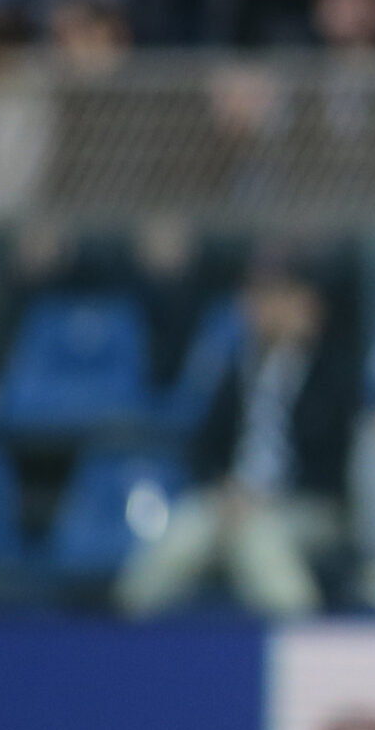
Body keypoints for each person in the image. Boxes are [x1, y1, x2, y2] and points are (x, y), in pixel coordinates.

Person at [115, 257, 356, 617]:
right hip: (230, 500)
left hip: (305, 506)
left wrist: (266, 498)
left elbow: (336, 464)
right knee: (181, 533)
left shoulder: (333, 374)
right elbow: (204, 446)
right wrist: (224, 486)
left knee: (260, 539)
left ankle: (302, 633)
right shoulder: (240, 368)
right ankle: (122, 627)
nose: (260, 309)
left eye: (274, 298)